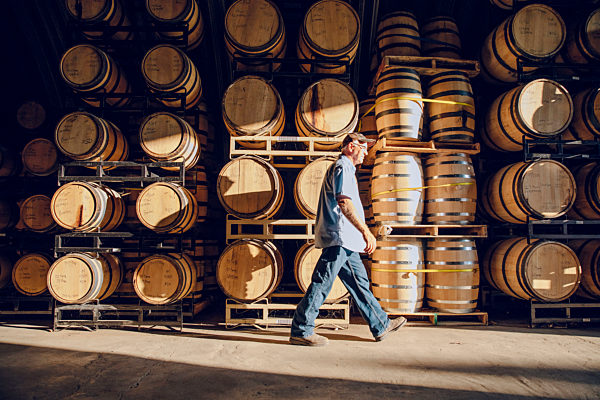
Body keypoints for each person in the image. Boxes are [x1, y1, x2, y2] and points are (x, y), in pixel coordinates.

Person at [289, 132, 407, 346]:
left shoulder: (348, 169)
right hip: (339, 237)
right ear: (351, 146)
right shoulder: (343, 166)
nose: (366, 152)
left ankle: (380, 324)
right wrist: (366, 231)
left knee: (359, 283)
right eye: (363, 147)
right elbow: (343, 202)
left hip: (347, 241)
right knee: (322, 282)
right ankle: (301, 329)